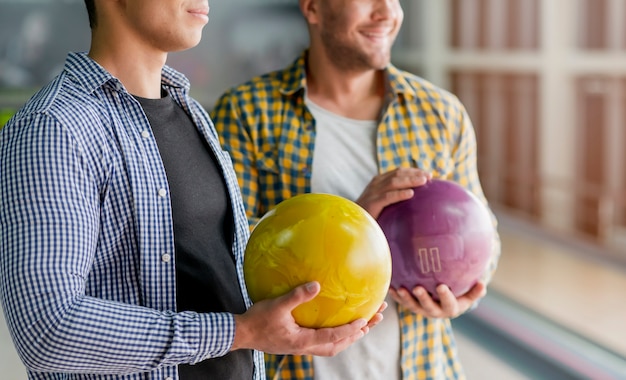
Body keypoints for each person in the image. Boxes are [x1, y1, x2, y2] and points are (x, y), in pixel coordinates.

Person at [0, 1, 386, 379]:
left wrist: (330, 273)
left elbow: (209, 268)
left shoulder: (191, 112)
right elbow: (47, 330)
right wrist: (241, 332)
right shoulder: (53, 128)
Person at [211, 0, 501, 379]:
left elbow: (484, 236)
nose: (386, 13)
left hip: (423, 367)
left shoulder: (441, 114)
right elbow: (226, 256)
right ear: (313, 8)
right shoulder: (246, 112)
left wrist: (460, 295)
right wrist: (355, 218)